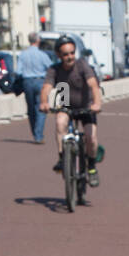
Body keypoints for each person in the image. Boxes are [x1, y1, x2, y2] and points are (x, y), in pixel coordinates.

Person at [40, 36, 103, 187]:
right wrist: (44, 102)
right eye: (65, 54)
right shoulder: (55, 69)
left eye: (72, 53)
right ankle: (62, 158)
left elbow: (93, 85)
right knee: (60, 122)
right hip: (66, 103)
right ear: (58, 55)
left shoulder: (82, 65)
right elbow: (46, 87)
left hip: (86, 105)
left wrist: (97, 103)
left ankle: (92, 168)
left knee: (91, 137)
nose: (69, 57)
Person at [16, 31, 52, 143]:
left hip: (27, 82)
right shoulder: (42, 55)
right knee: (42, 107)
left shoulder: (23, 55)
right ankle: (38, 135)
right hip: (40, 81)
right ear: (38, 40)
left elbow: (18, 71)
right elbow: (51, 68)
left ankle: (35, 133)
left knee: (31, 109)